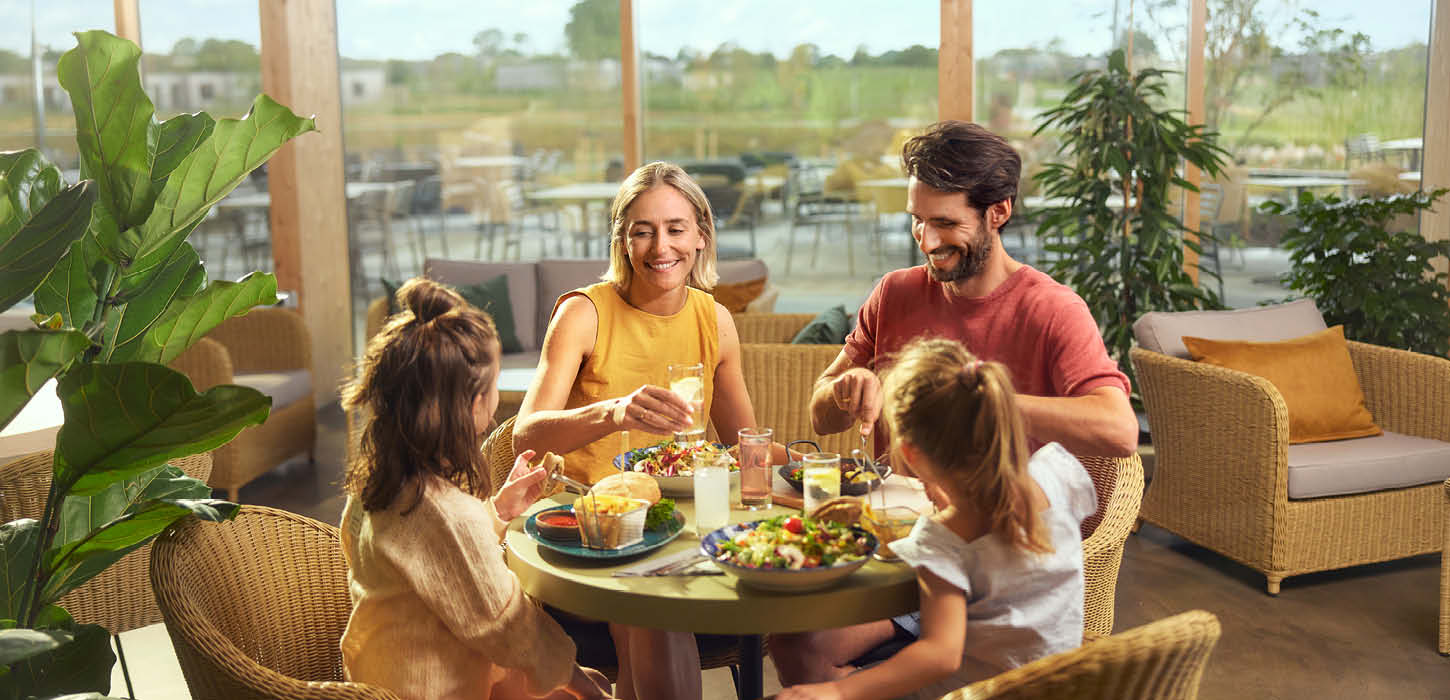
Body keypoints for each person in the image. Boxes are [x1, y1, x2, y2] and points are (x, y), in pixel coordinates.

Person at [772, 120, 1136, 687]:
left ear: (998, 212)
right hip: (895, 545)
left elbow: (1118, 430)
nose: (926, 240)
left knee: (821, 647)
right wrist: (847, 387)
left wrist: (981, 401)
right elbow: (820, 415)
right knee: (794, 640)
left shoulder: (1053, 310)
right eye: (917, 220)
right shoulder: (894, 292)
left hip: (988, 561)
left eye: (945, 223)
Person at [513, 161, 760, 700]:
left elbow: (747, 448)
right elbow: (525, 436)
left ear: (701, 235)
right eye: (643, 231)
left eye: (675, 229)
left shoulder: (714, 320)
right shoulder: (583, 313)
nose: (660, 247)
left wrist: (812, 466)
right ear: (623, 241)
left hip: (683, 527)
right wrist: (614, 412)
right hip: (586, 529)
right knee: (654, 609)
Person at [339, 278, 613, 700]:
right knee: (590, 685)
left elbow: (435, 555)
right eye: (493, 387)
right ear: (470, 406)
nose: (496, 398)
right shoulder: (443, 508)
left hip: (383, 672)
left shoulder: (382, 480)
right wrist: (578, 682)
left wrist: (499, 510)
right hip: (431, 688)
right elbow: (507, 623)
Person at [779, 338, 1097, 700]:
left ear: (911, 454)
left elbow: (941, 655)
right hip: (1062, 686)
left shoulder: (943, 540)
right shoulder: (1057, 470)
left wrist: (838, 690)